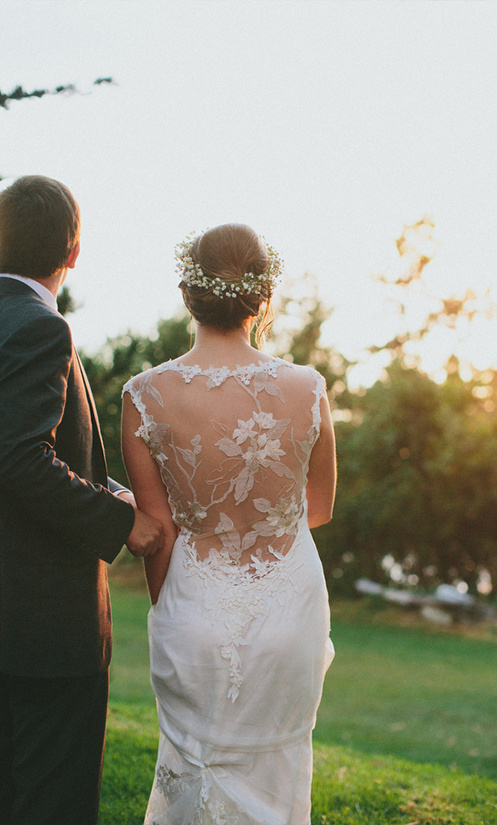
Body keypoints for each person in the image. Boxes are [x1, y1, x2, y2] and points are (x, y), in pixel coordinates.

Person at [122, 223, 337, 825]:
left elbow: (156, 532)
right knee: (279, 767)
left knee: (194, 770)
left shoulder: (144, 394)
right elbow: (316, 509)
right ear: (262, 298)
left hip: (195, 606)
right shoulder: (308, 387)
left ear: (189, 295)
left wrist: (172, 609)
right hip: (289, 605)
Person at [0, 175, 164, 825]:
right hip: (40, 628)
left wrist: (104, 483)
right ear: (73, 253)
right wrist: (121, 519)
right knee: (50, 804)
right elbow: (18, 457)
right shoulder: (41, 327)